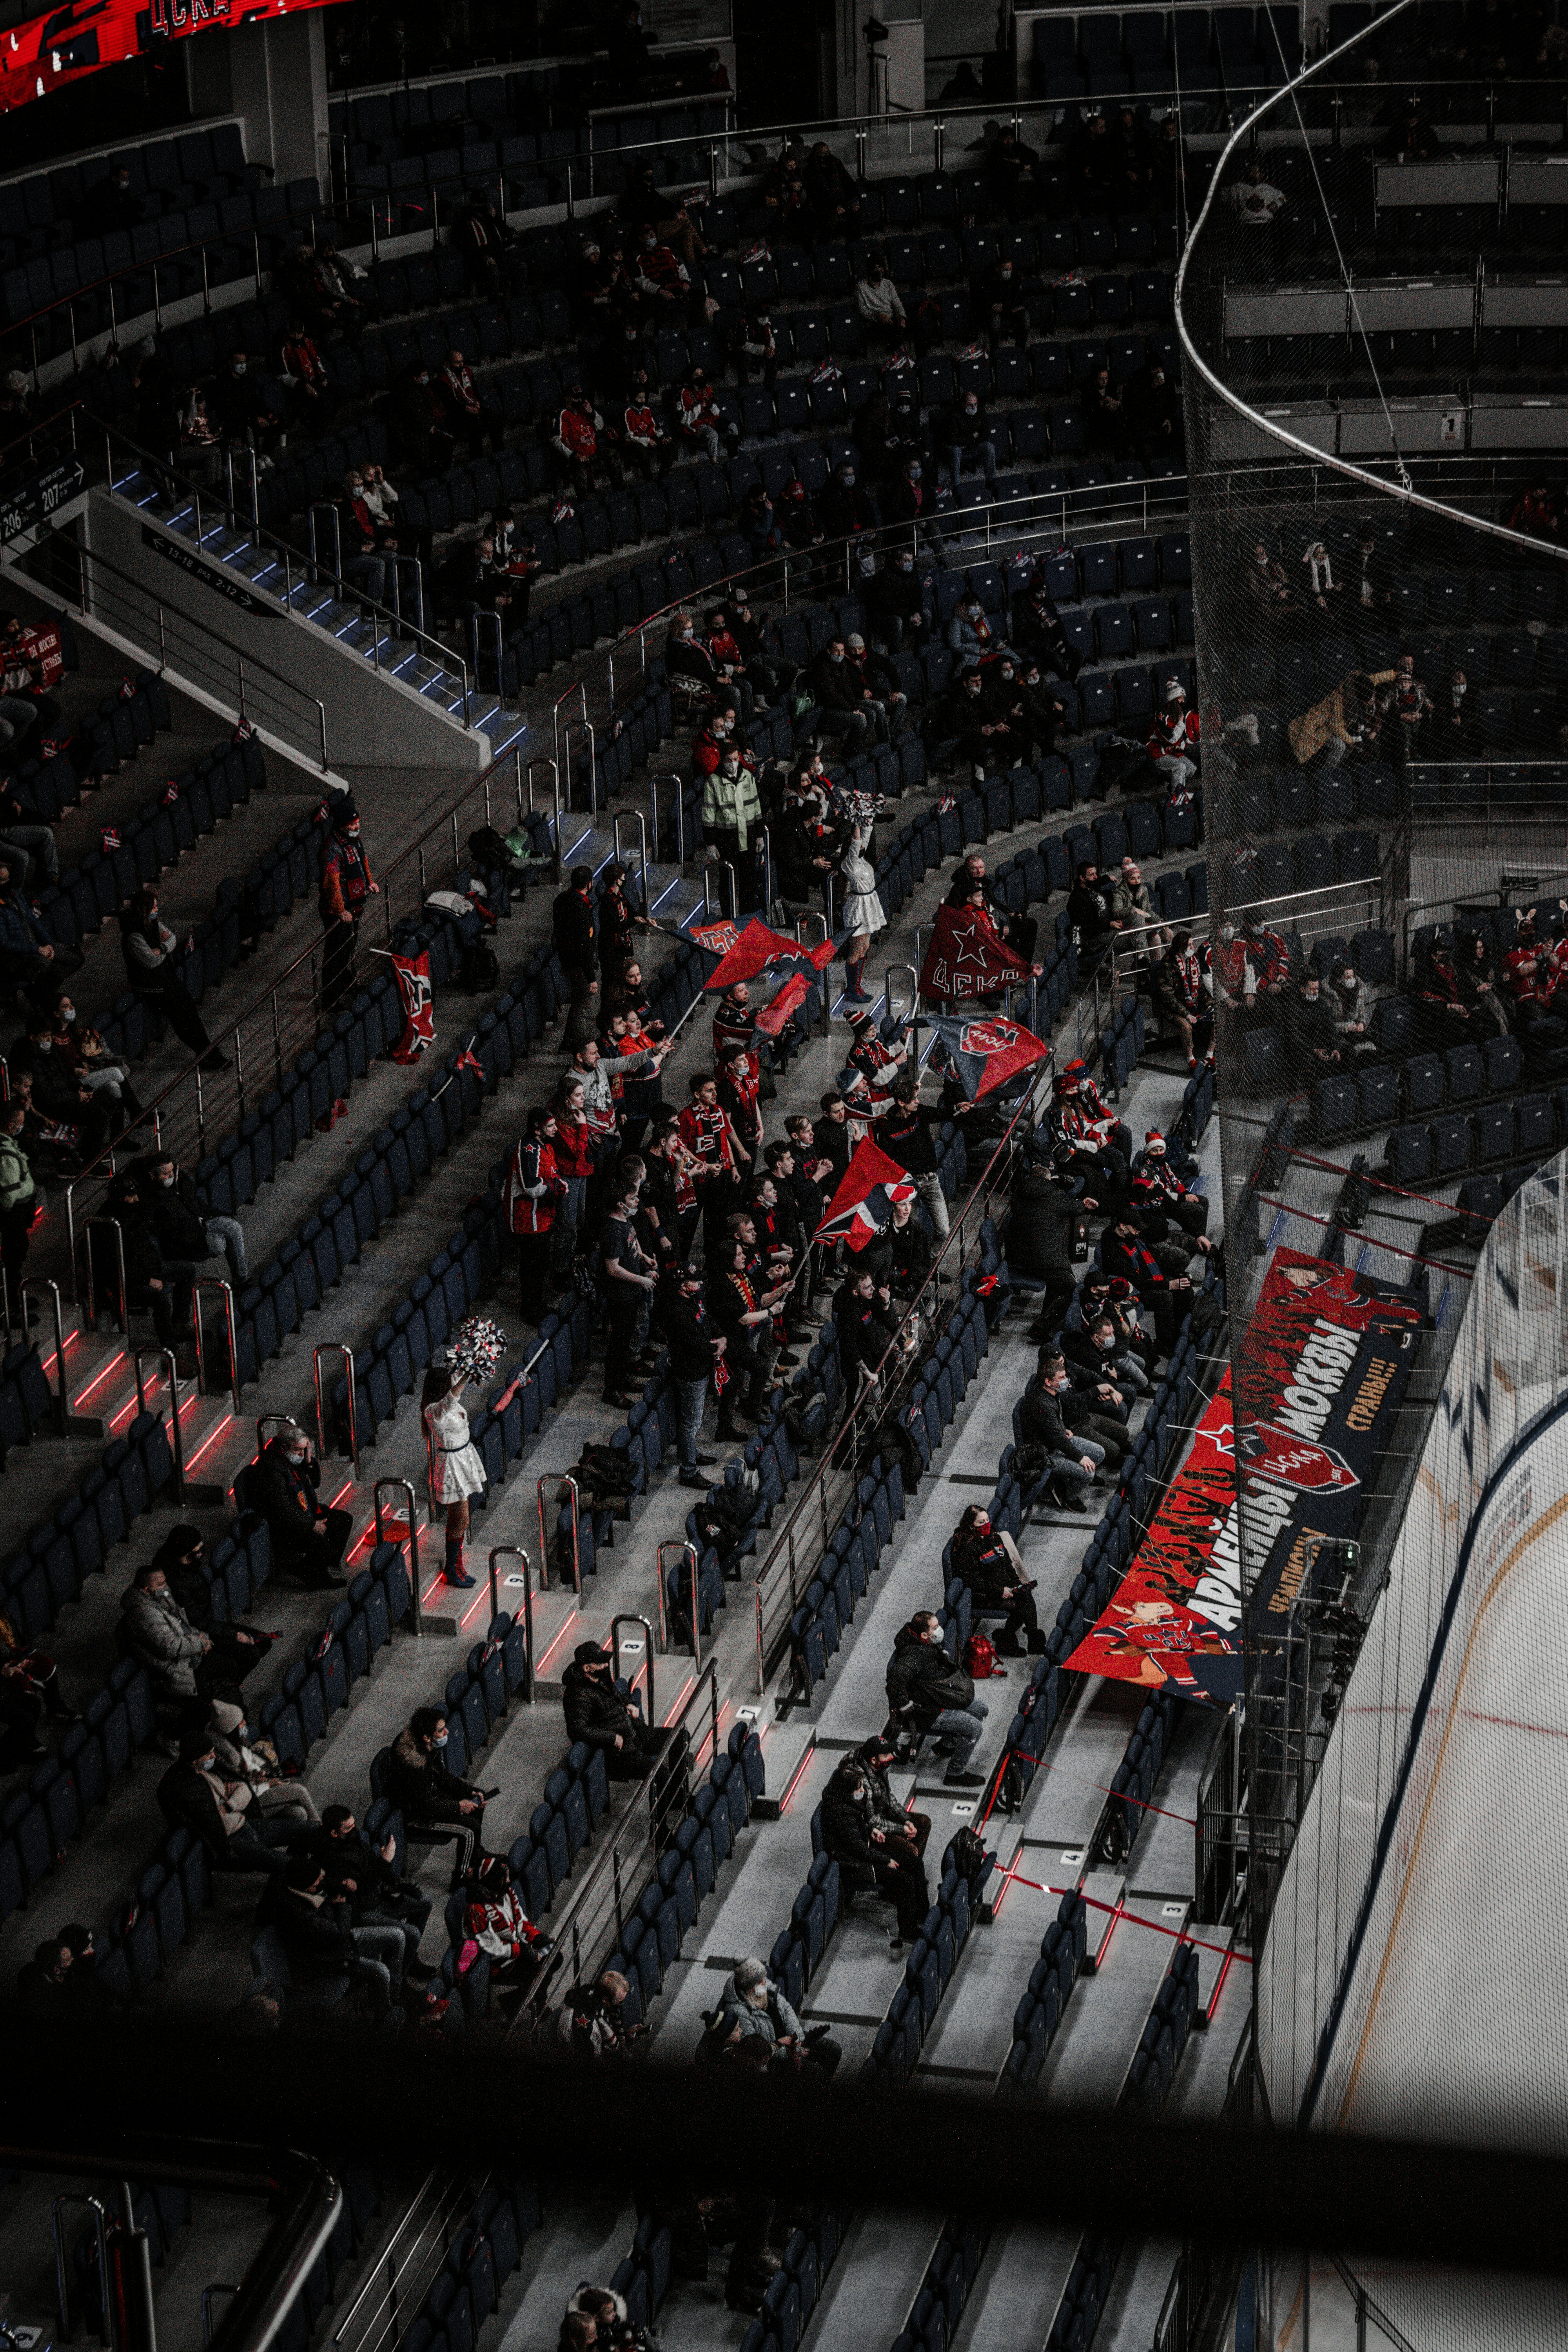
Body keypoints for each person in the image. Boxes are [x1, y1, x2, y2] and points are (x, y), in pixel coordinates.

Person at [263, 1854, 407, 2020]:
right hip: (327, 1958)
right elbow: (339, 1934)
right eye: (318, 1881)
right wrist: (342, 1905)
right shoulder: (297, 1914)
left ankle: (393, 1995)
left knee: (398, 1936)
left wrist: (343, 1883)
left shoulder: (296, 1881)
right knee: (380, 1971)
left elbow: (325, 1882)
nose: (321, 1881)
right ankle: (384, 2016)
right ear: (309, 1888)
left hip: (337, 1937)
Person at [423, 1352, 521, 1589]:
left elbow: (455, 1386)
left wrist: (471, 1359)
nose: (452, 1386)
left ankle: (457, 1565)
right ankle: (451, 1569)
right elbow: (452, 1397)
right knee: (460, 1519)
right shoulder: (433, 1410)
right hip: (452, 1466)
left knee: (462, 1519)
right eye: (448, 1385)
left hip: (464, 1458)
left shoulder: (446, 1401)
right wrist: (467, 1375)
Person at [309, 1805, 434, 1980]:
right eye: (348, 1828)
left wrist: (397, 1883)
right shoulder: (331, 1857)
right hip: (362, 1910)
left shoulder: (352, 1838)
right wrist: (385, 1861)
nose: (354, 1830)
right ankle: (399, 1981)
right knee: (411, 1933)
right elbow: (363, 1887)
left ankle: (408, 1958)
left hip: (377, 1897)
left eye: (354, 1825)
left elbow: (372, 1862)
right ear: (334, 1833)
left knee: (424, 1902)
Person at [820, 1751, 929, 1950]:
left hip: (865, 1848)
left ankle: (924, 1915)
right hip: (854, 1863)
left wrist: (872, 1831)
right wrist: (886, 1860)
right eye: (859, 1788)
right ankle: (909, 1931)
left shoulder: (845, 1800)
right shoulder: (840, 1814)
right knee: (904, 1879)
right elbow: (857, 1849)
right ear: (847, 1791)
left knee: (915, 1863)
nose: (862, 1790)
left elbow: (859, 1829)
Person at [116, 887, 221, 1068]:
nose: (157, 911)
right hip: (149, 986)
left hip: (164, 978)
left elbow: (172, 939)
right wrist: (164, 949)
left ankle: (208, 1050)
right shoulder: (134, 936)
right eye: (154, 908)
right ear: (144, 910)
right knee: (180, 1015)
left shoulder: (154, 923)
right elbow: (151, 961)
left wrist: (162, 949)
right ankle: (203, 1053)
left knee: (189, 1008)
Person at [884, 1610, 989, 1787]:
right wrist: (905, 1706)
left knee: (981, 1709)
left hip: (937, 1697)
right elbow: (895, 1679)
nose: (940, 1629)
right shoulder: (915, 1655)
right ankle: (955, 1774)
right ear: (924, 1635)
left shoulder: (923, 1644)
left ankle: (947, 1745)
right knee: (974, 1728)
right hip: (926, 1711)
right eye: (936, 1627)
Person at [385, 1706, 487, 1886]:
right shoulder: (416, 1768)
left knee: (476, 1800)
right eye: (441, 1730)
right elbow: (427, 1806)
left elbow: (443, 1776)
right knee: (470, 1830)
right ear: (427, 1737)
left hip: (430, 1799)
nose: (447, 1731)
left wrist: (468, 1791)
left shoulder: (427, 1749)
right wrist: (458, 1806)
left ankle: (475, 1855)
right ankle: (461, 1878)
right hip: (417, 1816)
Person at [251, 1422, 352, 1588]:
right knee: (320, 1540)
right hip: (285, 1523)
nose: (302, 1454)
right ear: (284, 1447)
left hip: (304, 1509)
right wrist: (312, 1525)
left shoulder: (294, 1459)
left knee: (344, 1520)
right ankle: (316, 1577)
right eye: (299, 1450)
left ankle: (323, 1562)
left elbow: (316, 1482)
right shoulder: (272, 1469)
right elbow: (283, 1510)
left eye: (305, 1449)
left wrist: (309, 1460)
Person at [562, 1641, 674, 1781]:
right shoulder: (577, 1694)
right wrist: (612, 1738)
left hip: (633, 1733)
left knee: (679, 1736)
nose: (606, 1665)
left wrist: (629, 1703)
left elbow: (615, 1694)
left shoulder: (599, 1677)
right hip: (618, 1752)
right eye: (601, 1663)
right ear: (587, 1668)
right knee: (662, 1774)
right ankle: (676, 1801)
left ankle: (680, 1791)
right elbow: (577, 1730)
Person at [706, 1235, 784, 1435]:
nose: (744, 1257)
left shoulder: (739, 1275)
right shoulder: (722, 1284)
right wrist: (770, 1312)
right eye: (739, 1255)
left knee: (739, 1381)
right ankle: (741, 1415)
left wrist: (781, 1290)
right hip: (727, 1340)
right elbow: (743, 1318)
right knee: (749, 1373)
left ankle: (736, 1418)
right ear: (728, 1260)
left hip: (740, 1336)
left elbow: (758, 1301)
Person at [716, 1955, 842, 2076]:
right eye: (760, 1981)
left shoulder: (763, 1986)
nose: (765, 1982)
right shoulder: (739, 2011)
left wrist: (799, 2040)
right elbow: (756, 2051)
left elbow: (787, 2010)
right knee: (815, 2072)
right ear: (750, 1988)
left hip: (791, 2041)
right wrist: (791, 2051)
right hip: (773, 2056)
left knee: (833, 2050)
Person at [144, 1151, 248, 1289]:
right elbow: (172, 1233)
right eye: (166, 1174)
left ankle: (241, 1280)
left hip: (202, 1224)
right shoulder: (153, 1201)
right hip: (188, 1241)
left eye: (172, 1171)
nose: (171, 1176)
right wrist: (201, 1231)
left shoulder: (181, 1180)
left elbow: (197, 1203)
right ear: (153, 1176)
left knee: (234, 1228)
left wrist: (216, 1215)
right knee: (219, 1244)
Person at [951, 1504, 1043, 1655]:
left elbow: (1007, 1565)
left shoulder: (995, 1538)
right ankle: (1007, 1642)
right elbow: (972, 1581)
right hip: (982, 1594)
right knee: (1019, 1607)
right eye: (981, 1522)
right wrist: (1000, 1591)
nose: (987, 1525)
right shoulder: (967, 1548)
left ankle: (1034, 1642)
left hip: (1002, 1585)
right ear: (970, 1525)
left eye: (987, 1520)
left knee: (1026, 1594)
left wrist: (1016, 1585)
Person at [1018, 1356, 1106, 1511]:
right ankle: (1069, 1497)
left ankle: (1072, 1479)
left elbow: (1054, 1424)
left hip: (1056, 1439)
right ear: (1048, 1382)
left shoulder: (1053, 1391)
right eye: (1062, 1377)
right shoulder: (1042, 1404)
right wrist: (1080, 1458)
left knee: (1099, 1453)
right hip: (1045, 1453)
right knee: (1087, 1473)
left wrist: (1062, 1427)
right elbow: (1057, 1439)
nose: (1066, 1380)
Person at [506, 1106, 566, 1322]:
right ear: (537, 1129)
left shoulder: (544, 1145)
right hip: (527, 1219)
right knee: (532, 1266)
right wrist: (555, 1190)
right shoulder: (528, 1149)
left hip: (541, 1217)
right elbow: (530, 1185)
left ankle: (538, 1305)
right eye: (550, 1126)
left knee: (540, 1265)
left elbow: (551, 1172)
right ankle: (530, 1310)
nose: (555, 1129)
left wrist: (559, 1184)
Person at [319, 796, 377, 1015]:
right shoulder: (331, 849)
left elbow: (364, 862)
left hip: (355, 907)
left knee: (349, 949)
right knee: (336, 954)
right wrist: (340, 910)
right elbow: (331, 884)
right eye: (353, 824)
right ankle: (331, 998)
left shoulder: (354, 839)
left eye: (358, 822)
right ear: (342, 825)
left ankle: (348, 984)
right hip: (339, 912)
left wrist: (370, 882)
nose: (357, 825)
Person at [553, 866, 600, 1051]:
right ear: (589, 884)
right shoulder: (580, 908)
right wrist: (591, 977)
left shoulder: (561, 900)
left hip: (566, 959)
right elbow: (584, 946)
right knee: (582, 1007)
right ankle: (583, 1048)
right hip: (578, 964)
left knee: (578, 1004)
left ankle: (567, 1042)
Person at [0, 1095, 35, 1312]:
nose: (22, 1126)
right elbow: (8, 1194)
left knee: (17, 1258)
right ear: (11, 1124)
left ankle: (16, 1299)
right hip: (14, 1216)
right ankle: (12, 1308)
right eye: (20, 1122)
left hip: (18, 1216)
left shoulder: (8, 1143)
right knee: (13, 1261)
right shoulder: (4, 1153)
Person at [855, 256, 908, 348]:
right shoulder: (861, 287)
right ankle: (897, 357)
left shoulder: (888, 284)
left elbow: (897, 303)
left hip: (892, 318)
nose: (880, 271)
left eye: (881, 268)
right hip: (875, 321)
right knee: (894, 333)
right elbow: (862, 310)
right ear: (870, 271)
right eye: (876, 268)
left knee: (917, 325)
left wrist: (902, 317)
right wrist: (877, 315)